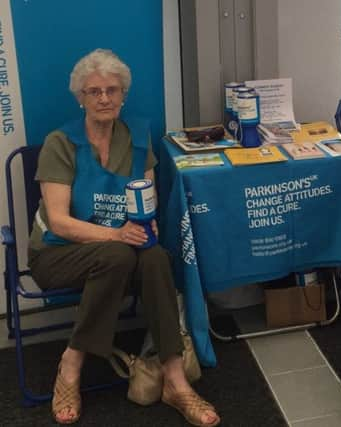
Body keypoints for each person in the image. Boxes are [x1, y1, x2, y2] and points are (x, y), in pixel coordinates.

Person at [27, 49, 220, 426]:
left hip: (119, 254)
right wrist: (117, 235)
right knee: (117, 255)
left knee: (155, 257)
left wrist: (146, 233)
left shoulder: (136, 138)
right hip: (58, 254)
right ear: (80, 97)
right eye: (94, 91)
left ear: (123, 95)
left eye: (112, 90)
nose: (104, 98)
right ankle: (72, 363)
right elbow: (61, 223)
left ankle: (175, 379)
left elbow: (146, 206)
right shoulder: (59, 143)